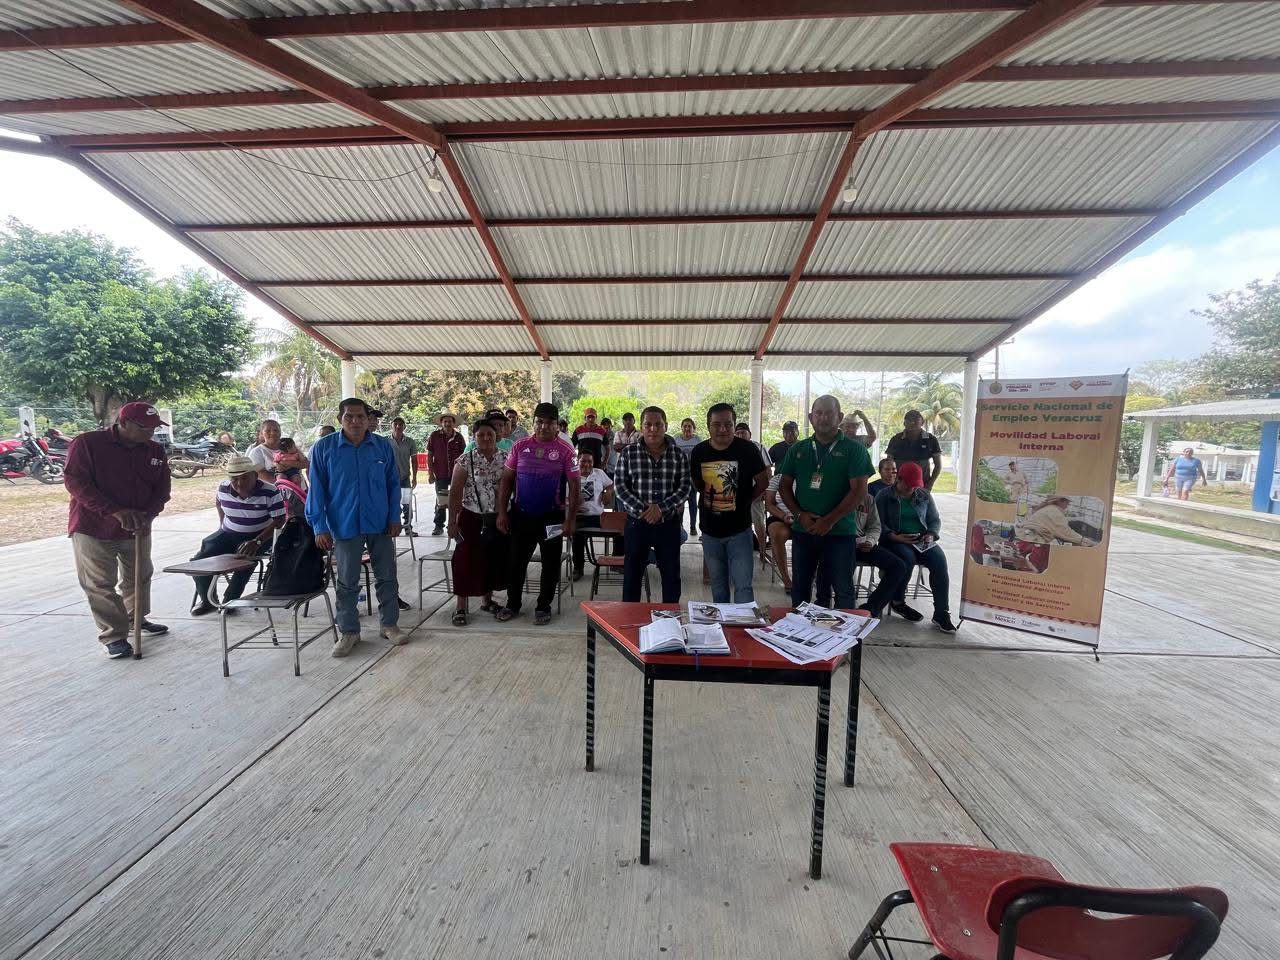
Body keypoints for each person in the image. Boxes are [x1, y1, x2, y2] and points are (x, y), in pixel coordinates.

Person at [63, 402, 172, 659]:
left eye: (154, 427)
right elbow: (76, 482)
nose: (151, 433)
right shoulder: (88, 443)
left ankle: (136, 620)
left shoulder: (154, 450)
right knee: (100, 583)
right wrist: (115, 511)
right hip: (94, 527)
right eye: (145, 427)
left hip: (138, 526)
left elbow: (162, 489)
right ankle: (114, 635)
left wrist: (148, 515)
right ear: (124, 423)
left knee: (140, 575)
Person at [306, 398, 404, 656]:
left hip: (380, 523)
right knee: (347, 581)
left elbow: (393, 484)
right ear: (340, 419)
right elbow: (316, 490)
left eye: (360, 416)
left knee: (387, 576)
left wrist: (395, 516)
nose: (355, 421)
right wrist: (319, 526)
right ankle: (349, 632)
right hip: (344, 523)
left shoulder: (382, 446)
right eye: (349, 416)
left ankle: (389, 625)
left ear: (368, 419)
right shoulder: (324, 448)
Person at [777, 395, 873, 610]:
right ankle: (799, 630)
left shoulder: (854, 449)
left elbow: (859, 491)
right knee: (800, 588)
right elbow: (784, 486)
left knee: (843, 590)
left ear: (839, 417)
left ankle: (845, 632)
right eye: (818, 413)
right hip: (804, 530)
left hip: (840, 532)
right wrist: (800, 515)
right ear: (811, 417)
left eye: (829, 413)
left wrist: (829, 521)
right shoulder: (798, 449)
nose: (823, 418)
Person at [496, 402, 580, 625]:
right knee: (516, 562)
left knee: (551, 565)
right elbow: (506, 480)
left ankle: (543, 607)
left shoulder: (566, 451)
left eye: (549, 423)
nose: (544, 427)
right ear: (533, 423)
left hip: (552, 518)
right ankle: (512, 604)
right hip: (521, 516)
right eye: (539, 422)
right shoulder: (519, 446)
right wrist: (502, 513)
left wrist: (570, 520)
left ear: (557, 426)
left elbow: (575, 486)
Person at [189, 455, 286, 616]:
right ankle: (208, 601)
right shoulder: (223, 488)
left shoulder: (270, 491)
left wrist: (257, 541)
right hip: (229, 532)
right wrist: (222, 524)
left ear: (255, 475)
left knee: (246, 559)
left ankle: (230, 600)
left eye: (244, 478)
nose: (239, 483)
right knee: (199, 561)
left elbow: (279, 519)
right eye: (234, 479)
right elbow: (219, 503)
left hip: (261, 535)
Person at [614, 406, 692, 603]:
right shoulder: (628, 453)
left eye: (658, 424)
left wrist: (660, 509)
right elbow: (620, 486)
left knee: (671, 576)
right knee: (632, 577)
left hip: (668, 525)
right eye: (648, 424)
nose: (653, 429)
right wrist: (645, 510)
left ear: (666, 426)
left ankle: (670, 618)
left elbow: (684, 488)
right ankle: (631, 618)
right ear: (641, 427)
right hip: (637, 524)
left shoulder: (678, 455)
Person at [691, 406, 769, 603]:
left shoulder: (748, 450)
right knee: (718, 587)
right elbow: (698, 484)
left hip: (740, 531)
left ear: (734, 425)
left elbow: (763, 482)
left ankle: (743, 622)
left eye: (728, 424)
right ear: (708, 426)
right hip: (710, 531)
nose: (723, 429)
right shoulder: (699, 451)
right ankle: (723, 623)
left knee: (743, 586)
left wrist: (746, 500)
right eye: (716, 425)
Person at [875, 461, 956, 633]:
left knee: (940, 561)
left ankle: (941, 612)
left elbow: (934, 519)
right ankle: (898, 601)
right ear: (899, 479)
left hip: (921, 539)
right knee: (907, 559)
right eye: (909, 485)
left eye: (915, 486)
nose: (912, 489)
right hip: (896, 539)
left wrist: (931, 534)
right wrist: (894, 536)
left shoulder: (923, 494)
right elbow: (877, 523)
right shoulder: (884, 496)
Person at [447, 420, 508, 625]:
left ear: (496, 436)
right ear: (474, 437)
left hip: (497, 518)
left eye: (490, 434)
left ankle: (487, 601)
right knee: (464, 560)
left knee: (491, 559)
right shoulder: (465, 460)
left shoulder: (506, 459)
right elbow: (455, 493)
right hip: (471, 517)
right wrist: (452, 522)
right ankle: (460, 607)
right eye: (481, 435)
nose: (486, 438)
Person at [570, 449, 615, 580]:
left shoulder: (599, 473)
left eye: (590, 461)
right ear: (577, 461)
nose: (587, 464)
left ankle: (617, 561)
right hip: (580, 517)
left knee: (622, 528)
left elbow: (611, 484)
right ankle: (578, 568)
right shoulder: (572, 475)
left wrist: (608, 492)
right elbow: (564, 499)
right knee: (577, 534)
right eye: (583, 461)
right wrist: (573, 504)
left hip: (599, 517)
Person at [733, 422, 772, 563]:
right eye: (738, 433)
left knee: (759, 523)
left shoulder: (759, 447)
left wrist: (766, 490)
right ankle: (740, 552)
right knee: (738, 525)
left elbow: (768, 470)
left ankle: (762, 551)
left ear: (750, 434)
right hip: (736, 495)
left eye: (743, 432)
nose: (740, 435)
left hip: (756, 493)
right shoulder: (731, 448)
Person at [426, 412, 465, 536]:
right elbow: (430, 455)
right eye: (445, 422)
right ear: (442, 423)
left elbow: (464, 456)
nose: (447, 424)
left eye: (450, 421)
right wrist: (430, 473)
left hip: (456, 474)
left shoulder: (459, 437)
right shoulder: (434, 436)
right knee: (441, 500)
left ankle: (457, 523)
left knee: (457, 499)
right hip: (440, 473)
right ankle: (439, 526)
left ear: (453, 423)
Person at [886, 410, 942, 490]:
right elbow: (889, 463)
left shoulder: (931, 439)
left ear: (922, 423)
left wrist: (930, 484)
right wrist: (892, 482)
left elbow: (938, 465)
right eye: (909, 420)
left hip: (922, 486)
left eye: (916, 420)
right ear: (904, 423)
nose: (912, 423)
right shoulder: (895, 439)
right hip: (899, 486)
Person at [246, 418, 307, 485]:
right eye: (268, 430)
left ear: (280, 432)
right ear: (262, 433)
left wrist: (289, 463)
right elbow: (259, 473)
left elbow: (306, 464)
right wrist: (286, 485)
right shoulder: (257, 452)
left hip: (299, 488)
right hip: (276, 490)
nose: (272, 433)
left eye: (276, 430)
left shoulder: (290, 446)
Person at [1016, 495, 1093, 545]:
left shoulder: (1049, 509)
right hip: (1032, 539)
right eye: (1066, 502)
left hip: (1027, 537)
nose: (1067, 505)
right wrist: (1086, 541)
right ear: (1060, 501)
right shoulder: (1054, 511)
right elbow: (1065, 532)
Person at [388, 417, 419, 533]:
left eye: (400, 424)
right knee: (391, 503)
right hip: (389, 480)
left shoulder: (410, 442)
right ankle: (392, 527)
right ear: (391, 426)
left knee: (407, 504)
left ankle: (408, 527)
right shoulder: (385, 441)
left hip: (405, 478)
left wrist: (414, 477)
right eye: (395, 424)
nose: (398, 426)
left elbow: (414, 461)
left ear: (404, 427)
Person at [764, 473, 794, 592]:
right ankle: (786, 579)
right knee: (777, 533)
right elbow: (769, 504)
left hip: (804, 516)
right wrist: (783, 516)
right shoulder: (777, 479)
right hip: (780, 516)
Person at [673, 417, 702, 536]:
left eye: (689, 426)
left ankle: (693, 527)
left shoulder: (697, 440)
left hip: (693, 476)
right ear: (681, 428)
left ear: (693, 428)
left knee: (692, 503)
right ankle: (679, 526)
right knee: (679, 503)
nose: (687, 428)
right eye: (685, 426)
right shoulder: (676, 439)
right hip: (680, 477)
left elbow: (701, 457)